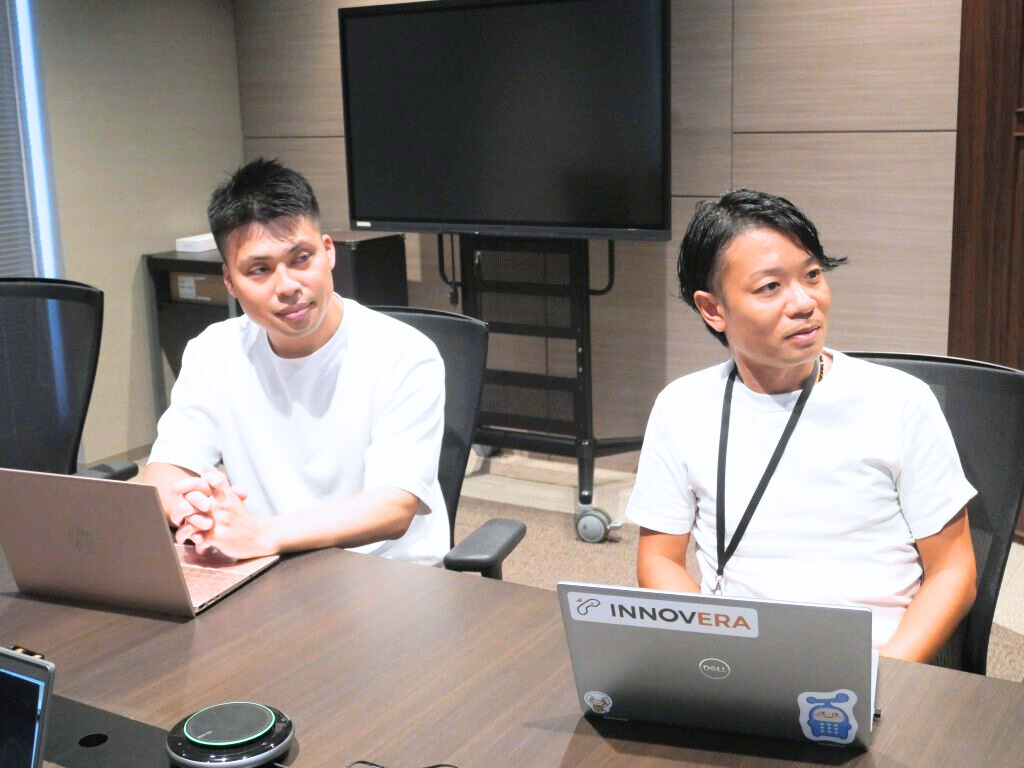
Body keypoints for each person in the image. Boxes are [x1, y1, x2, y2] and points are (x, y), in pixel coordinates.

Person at [626, 188, 977, 661]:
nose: (804, 302)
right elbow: (659, 560)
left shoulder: (899, 401)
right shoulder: (681, 407)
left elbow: (953, 571)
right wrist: (712, 648)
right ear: (713, 310)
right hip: (739, 659)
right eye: (770, 287)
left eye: (812, 275)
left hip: (874, 658)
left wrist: (884, 673)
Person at [143, 158, 448, 565]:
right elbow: (165, 472)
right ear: (230, 281)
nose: (287, 286)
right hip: (267, 563)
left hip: (384, 570)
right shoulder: (213, 352)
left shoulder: (405, 353)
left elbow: (393, 506)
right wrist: (191, 509)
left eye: (300, 258)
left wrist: (261, 533)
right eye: (259, 270)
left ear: (328, 251)